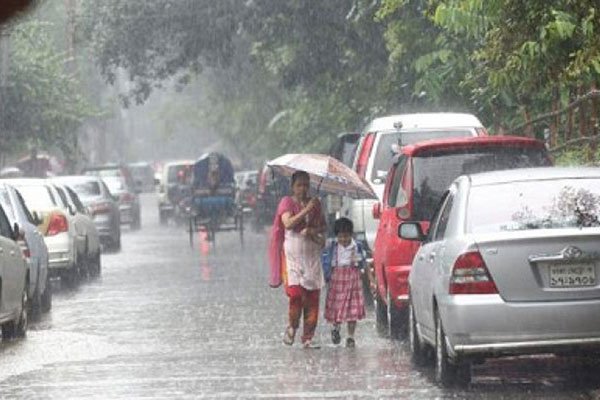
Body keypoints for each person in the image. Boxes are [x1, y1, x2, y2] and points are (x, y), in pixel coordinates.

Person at [269, 170, 326, 348]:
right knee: (295, 295)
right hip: (292, 257)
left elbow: (322, 227)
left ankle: (308, 337)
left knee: (312, 298)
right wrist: (306, 211)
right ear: (292, 187)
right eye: (299, 185)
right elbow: (288, 223)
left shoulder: (316, 204)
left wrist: (312, 231)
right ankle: (293, 326)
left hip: (311, 256)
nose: (303, 189)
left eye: (306, 185)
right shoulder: (286, 202)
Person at [323, 217, 366, 348]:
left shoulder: (357, 246)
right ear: (336, 236)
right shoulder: (332, 247)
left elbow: (363, 263)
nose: (343, 240)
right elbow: (326, 262)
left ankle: (350, 337)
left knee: (352, 309)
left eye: (346, 236)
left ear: (351, 234)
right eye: (340, 237)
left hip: (353, 279)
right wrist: (325, 277)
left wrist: (370, 279)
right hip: (337, 279)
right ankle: (336, 328)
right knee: (337, 307)